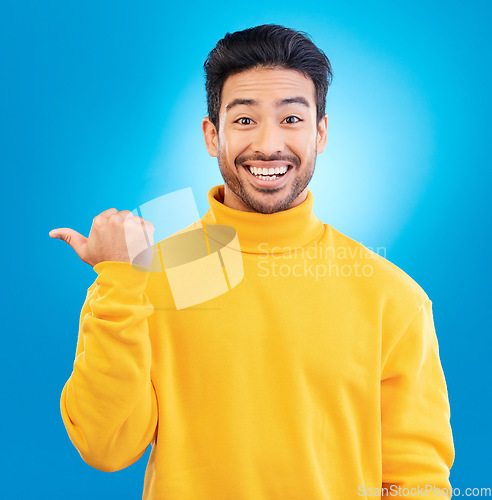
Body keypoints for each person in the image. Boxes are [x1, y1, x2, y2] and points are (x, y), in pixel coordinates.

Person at [50, 24, 455, 499]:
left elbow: (417, 480)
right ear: (210, 134)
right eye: (244, 120)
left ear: (320, 133)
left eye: (291, 119)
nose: (267, 144)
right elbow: (105, 446)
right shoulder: (150, 275)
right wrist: (119, 280)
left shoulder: (390, 296)